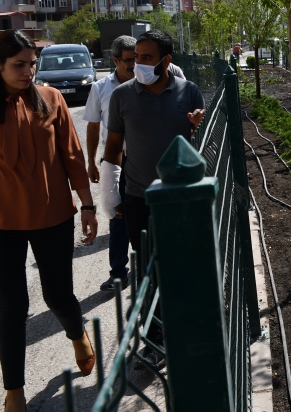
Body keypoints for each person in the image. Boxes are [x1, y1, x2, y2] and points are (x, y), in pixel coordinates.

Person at [0, 30, 97, 412]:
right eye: (19, 65)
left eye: (32, 63)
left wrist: (87, 206)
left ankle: (76, 332)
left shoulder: (51, 100)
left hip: (52, 217)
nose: (28, 71)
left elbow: (71, 156)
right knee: (12, 307)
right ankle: (13, 390)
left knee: (58, 295)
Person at [101, 29, 205, 368]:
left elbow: (198, 150)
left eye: (147, 58)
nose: (138, 65)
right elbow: (114, 150)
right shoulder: (121, 97)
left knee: (182, 265)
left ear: (166, 61)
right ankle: (154, 340)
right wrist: (110, 195)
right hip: (139, 198)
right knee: (148, 269)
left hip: (180, 198)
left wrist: (195, 128)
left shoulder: (189, 92)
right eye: (136, 58)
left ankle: (188, 325)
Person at [83, 35, 136, 291]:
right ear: (115, 60)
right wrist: (92, 162)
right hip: (115, 161)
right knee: (117, 215)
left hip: (144, 160)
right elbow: (93, 127)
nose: (134, 65)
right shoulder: (100, 88)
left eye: (138, 59)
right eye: (128, 60)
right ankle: (118, 273)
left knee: (147, 216)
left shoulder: (147, 85)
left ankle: (153, 271)